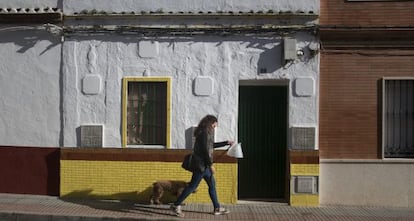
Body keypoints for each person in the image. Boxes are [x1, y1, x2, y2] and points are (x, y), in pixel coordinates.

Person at [171, 115, 234, 217]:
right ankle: (176, 205)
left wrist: (226, 143)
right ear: (211, 122)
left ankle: (217, 208)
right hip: (201, 166)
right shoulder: (204, 133)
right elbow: (205, 151)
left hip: (205, 167)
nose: (215, 126)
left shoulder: (206, 133)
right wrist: (211, 165)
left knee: (212, 185)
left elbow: (210, 145)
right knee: (192, 186)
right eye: (215, 124)